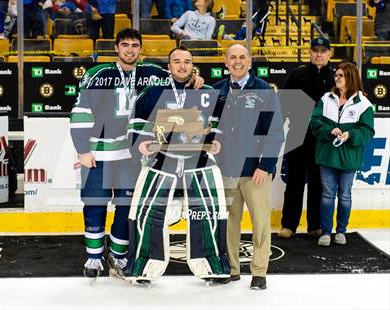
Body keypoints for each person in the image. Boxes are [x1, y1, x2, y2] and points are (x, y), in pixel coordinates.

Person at [70, 28, 204, 282]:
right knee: (94, 203)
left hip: (131, 156)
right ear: (117, 48)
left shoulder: (153, 74)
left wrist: (196, 76)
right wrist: (83, 150)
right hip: (99, 153)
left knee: (126, 206)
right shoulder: (97, 75)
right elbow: (80, 113)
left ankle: (118, 255)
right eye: (125, 45)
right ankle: (94, 256)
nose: (130, 50)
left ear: (141, 49)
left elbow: (180, 73)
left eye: (134, 45)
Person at [124, 46, 230, 284]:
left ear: (193, 65)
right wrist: (141, 142)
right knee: (148, 211)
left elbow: (218, 122)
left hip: (198, 161)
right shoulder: (152, 92)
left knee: (208, 210)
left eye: (187, 61)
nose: (182, 66)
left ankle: (212, 265)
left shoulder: (207, 91)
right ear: (169, 66)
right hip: (161, 160)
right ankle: (145, 266)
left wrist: (216, 142)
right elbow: (135, 123)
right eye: (177, 61)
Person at [213, 44, 284, 289]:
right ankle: (230, 269)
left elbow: (274, 133)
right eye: (233, 57)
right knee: (228, 223)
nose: (237, 61)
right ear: (225, 61)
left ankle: (259, 272)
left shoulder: (265, 90)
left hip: (256, 172)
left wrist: (265, 165)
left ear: (250, 61)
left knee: (260, 222)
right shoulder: (216, 91)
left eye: (242, 57)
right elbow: (208, 130)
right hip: (225, 169)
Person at [310, 62, 374, 246]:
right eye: (336, 75)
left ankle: (341, 231)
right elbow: (314, 122)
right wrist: (330, 130)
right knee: (327, 194)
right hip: (327, 156)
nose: (336, 78)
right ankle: (326, 232)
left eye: (341, 75)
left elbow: (367, 131)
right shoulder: (326, 98)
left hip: (349, 158)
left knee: (344, 195)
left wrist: (350, 134)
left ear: (350, 78)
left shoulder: (364, 104)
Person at [278, 37, 335, 239]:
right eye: (315, 50)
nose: (319, 54)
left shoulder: (336, 77)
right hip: (298, 134)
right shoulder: (297, 74)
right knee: (294, 181)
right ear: (310, 52)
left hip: (324, 138)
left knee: (319, 183)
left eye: (323, 51)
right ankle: (289, 225)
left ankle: (315, 225)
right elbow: (282, 103)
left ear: (330, 53)